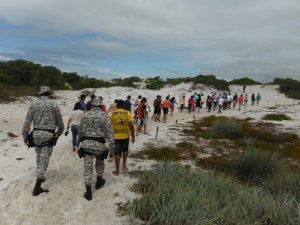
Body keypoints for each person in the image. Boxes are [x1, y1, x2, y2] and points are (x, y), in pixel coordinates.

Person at [22, 86, 64, 196]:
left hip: (36, 134)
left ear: (40, 94)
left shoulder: (33, 104)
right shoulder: (54, 104)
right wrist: (58, 134)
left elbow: (27, 122)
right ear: (49, 94)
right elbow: (60, 123)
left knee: (39, 156)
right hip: (48, 134)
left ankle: (39, 174)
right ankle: (37, 186)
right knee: (45, 158)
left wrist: (25, 136)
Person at [77, 97, 115, 201]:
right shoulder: (105, 116)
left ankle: (88, 192)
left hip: (87, 145)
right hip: (99, 145)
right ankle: (99, 181)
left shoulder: (86, 114)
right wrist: (112, 148)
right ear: (101, 105)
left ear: (92, 105)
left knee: (87, 167)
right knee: (99, 162)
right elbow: (110, 133)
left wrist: (80, 140)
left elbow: (80, 130)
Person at [110, 100, 135, 176]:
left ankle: (117, 171)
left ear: (117, 106)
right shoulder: (127, 113)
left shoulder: (113, 113)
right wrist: (133, 136)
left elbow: (110, 124)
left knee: (117, 153)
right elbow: (131, 125)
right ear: (123, 105)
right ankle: (124, 166)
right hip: (125, 136)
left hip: (116, 136)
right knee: (125, 150)